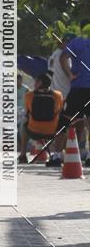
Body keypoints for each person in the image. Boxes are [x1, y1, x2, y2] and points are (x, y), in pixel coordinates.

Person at [50, 33, 90, 166]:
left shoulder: (77, 42)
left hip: (78, 89)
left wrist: (70, 75)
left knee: (64, 120)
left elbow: (63, 57)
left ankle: (56, 156)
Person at [18, 73, 63, 163]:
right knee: (63, 126)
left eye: (35, 82)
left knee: (24, 125)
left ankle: (23, 155)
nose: (34, 84)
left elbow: (27, 113)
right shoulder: (58, 95)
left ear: (40, 83)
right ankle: (58, 154)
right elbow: (59, 111)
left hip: (33, 131)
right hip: (52, 132)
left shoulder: (29, 95)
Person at [46, 32, 75, 166]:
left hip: (55, 94)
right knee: (65, 124)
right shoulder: (65, 56)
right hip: (65, 94)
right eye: (69, 42)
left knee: (60, 125)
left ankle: (58, 153)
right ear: (63, 42)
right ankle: (58, 154)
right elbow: (68, 73)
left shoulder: (53, 56)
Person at [16, 73, 28, 153]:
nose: (18, 82)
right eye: (17, 80)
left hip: (23, 112)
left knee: (22, 130)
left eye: (19, 80)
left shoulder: (25, 89)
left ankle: (22, 147)